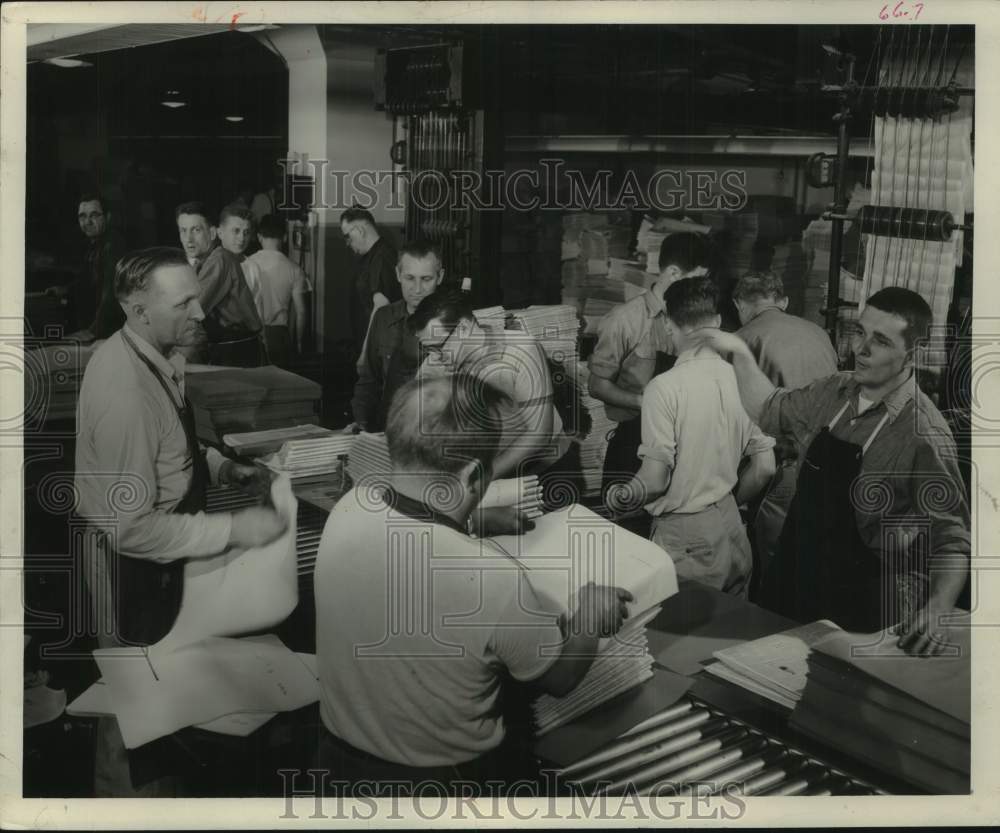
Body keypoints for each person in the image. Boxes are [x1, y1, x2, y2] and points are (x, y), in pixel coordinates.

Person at [315, 371, 632, 793]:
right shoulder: (491, 579)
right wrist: (589, 613)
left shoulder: (350, 507)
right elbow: (560, 678)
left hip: (336, 767)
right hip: (445, 788)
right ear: (471, 478)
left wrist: (473, 519)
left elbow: (411, 530)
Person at [74, 247, 287, 796]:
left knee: (161, 710)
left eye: (198, 295)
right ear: (138, 311)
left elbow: (171, 445)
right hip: (130, 567)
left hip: (157, 562)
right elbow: (131, 529)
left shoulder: (157, 352)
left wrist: (221, 467)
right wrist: (237, 531)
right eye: (184, 302)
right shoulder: (125, 390)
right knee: (137, 723)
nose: (200, 311)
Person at [695, 287, 970, 652]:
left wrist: (938, 608)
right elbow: (769, 408)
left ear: (913, 353)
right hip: (797, 576)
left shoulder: (924, 435)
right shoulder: (833, 391)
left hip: (861, 601)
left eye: (881, 341)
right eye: (859, 332)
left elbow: (951, 539)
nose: (861, 349)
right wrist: (741, 354)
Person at [607, 277, 775, 597]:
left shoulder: (665, 388)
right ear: (717, 323)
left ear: (669, 325)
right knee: (730, 636)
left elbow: (654, 480)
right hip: (732, 527)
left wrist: (621, 495)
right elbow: (765, 467)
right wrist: (723, 503)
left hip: (686, 536)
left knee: (683, 637)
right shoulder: (747, 381)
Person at [588, 232, 711, 536]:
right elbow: (597, 385)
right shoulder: (625, 320)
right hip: (632, 446)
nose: (701, 288)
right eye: (696, 279)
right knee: (627, 537)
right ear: (672, 273)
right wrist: (645, 402)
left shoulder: (692, 318)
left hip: (677, 446)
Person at [732, 269, 840, 587]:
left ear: (738, 303)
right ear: (784, 301)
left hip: (782, 468)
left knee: (773, 566)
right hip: (829, 460)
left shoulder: (740, 341)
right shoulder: (819, 332)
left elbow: (736, 418)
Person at [409, 287, 568, 477]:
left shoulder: (522, 351)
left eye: (438, 347)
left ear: (464, 328)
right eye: (428, 349)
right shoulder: (435, 362)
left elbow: (540, 434)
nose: (434, 356)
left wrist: (482, 477)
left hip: (544, 466)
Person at [345, 240, 444, 433]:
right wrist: (362, 422)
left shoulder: (455, 325)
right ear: (398, 274)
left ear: (440, 277)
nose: (417, 289)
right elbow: (368, 380)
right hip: (386, 430)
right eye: (409, 278)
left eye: (426, 279)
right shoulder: (383, 318)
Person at [176, 201, 264, 366]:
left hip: (237, 353)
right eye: (183, 231)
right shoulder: (203, 263)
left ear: (212, 233)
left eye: (196, 230)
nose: (188, 238)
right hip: (233, 350)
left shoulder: (221, 258)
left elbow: (193, 310)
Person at [245, 214, 310, 365]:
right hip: (279, 336)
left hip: (252, 334)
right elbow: (301, 312)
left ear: (259, 236)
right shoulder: (295, 269)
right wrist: (299, 343)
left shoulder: (247, 264)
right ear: (285, 237)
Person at [340, 207, 402, 359]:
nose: (347, 243)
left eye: (347, 236)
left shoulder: (382, 257)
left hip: (376, 351)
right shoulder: (372, 256)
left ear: (360, 230)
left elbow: (380, 307)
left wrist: (365, 353)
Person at [70, 194, 126, 339]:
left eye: (94, 215)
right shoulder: (93, 244)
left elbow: (111, 293)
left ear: (107, 217)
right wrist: (64, 290)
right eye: (82, 216)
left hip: (112, 332)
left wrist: (93, 331)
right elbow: (87, 281)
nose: (87, 222)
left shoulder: (113, 245)